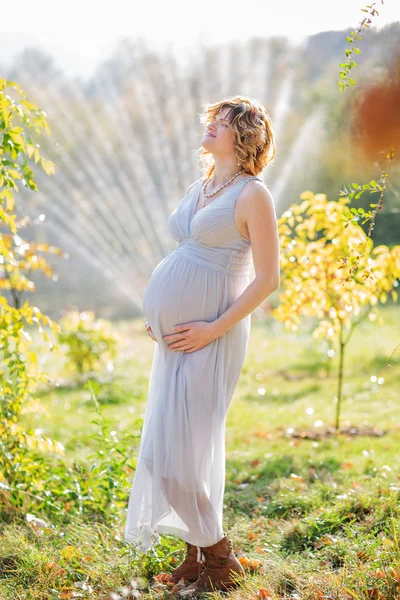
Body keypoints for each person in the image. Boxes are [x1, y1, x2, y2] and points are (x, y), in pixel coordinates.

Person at [124, 95, 280, 597]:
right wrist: (160, 311)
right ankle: (198, 556)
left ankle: (221, 558)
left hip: (212, 334)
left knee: (180, 455)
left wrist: (211, 329)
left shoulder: (253, 195)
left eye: (223, 122)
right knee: (170, 449)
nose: (210, 126)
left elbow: (268, 279)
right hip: (176, 338)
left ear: (244, 136)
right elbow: (186, 255)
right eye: (211, 120)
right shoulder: (204, 185)